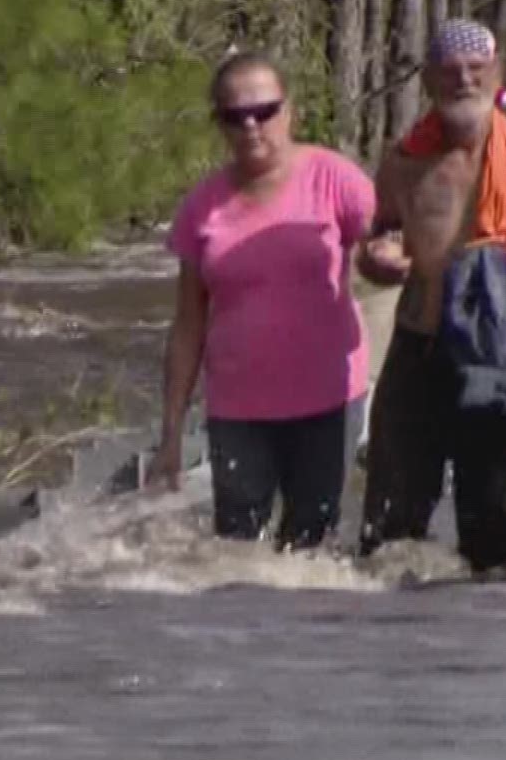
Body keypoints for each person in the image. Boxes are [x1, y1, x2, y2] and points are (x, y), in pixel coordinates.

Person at [355, 18, 506, 572]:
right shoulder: (404, 161)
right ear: (431, 81)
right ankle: (402, 629)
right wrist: (376, 260)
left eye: (475, 70)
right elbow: (377, 241)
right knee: (389, 531)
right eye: (451, 71)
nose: (464, 80)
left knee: (503, 539)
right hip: (422, 347)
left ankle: (491, 636)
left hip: (501, 351)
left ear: (497, 74)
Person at [149, 50, 377, 551]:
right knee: (236, 552)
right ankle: (245, 633)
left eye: (264, 111)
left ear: (289, 111)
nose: (251, 125)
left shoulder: (335, 179)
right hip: (238, 409)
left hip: (327, 401)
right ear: (220, 124)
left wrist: (392, 258)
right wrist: (171, 430)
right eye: (235, 116)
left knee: (310, 548)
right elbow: (188, 324)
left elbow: (389, 241)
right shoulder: (201, 207)